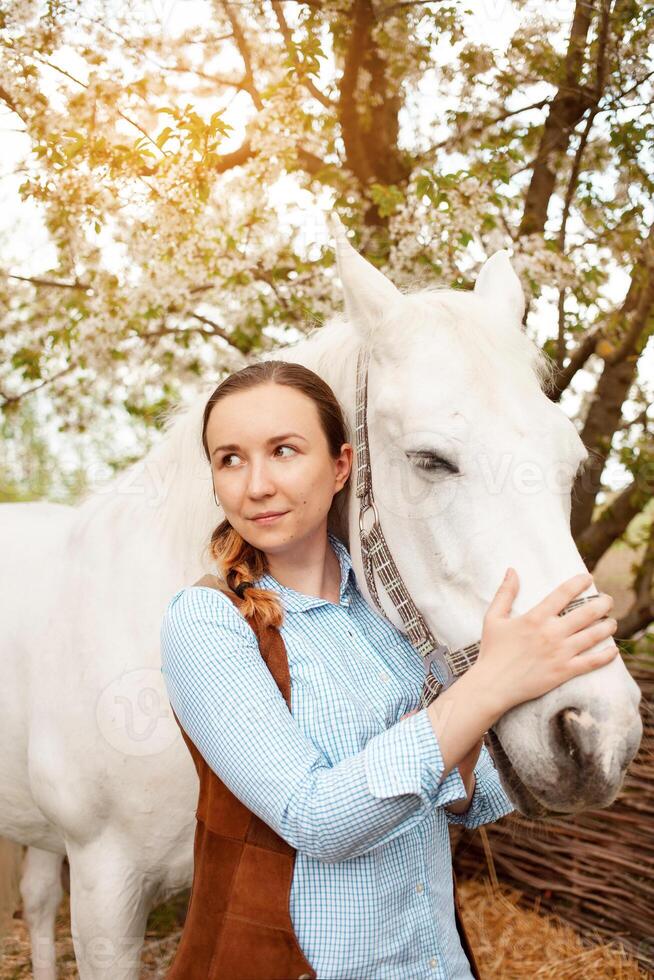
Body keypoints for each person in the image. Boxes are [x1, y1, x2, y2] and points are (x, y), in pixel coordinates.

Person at [160, 359, 618, 979]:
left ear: (341, 466)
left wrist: (488, 711)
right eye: (230, 459)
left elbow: (474, 799)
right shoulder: (208, 623)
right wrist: (481, 692)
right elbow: (315, 819)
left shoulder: (391, 615)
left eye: (284, 451)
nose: (257, 485)